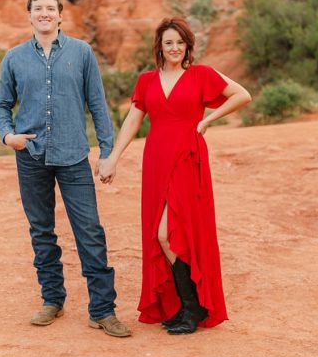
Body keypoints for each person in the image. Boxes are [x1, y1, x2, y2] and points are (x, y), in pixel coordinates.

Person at [97, 17, 251, 335]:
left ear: (188, 46)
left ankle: (193, 308)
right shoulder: (146, 81)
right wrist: (113, 157)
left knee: (172, 232)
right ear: (160, 47)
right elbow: (132, 121)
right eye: (169, 43)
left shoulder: (200, 75)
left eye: (180, 42)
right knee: (159, 233)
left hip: (187, 158)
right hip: (156, 160)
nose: (175, 48)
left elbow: (242, 95)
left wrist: (209, 119)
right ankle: (184, 305)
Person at [0, 0, 131, 337]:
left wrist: (107, 153)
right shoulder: (14, 58)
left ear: (59, 15)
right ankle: (52, 300)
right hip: (31, 157)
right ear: (29, 15)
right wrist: (8, 136)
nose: (44, 13)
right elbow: (0, 105)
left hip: (73, 157)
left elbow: (98, 105)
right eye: (37, 8)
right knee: (41, 231)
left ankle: (102, 309)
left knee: (90, 232)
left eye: (50, 8)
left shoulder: (82, 53)